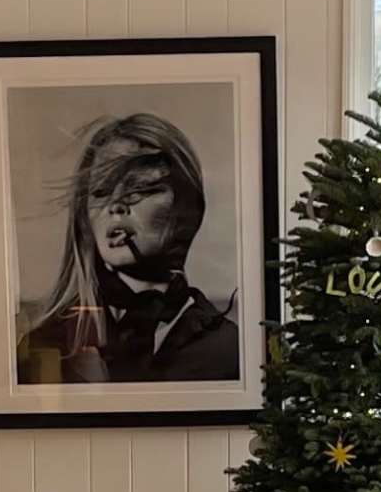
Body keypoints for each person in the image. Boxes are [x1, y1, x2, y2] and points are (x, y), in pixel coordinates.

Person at [17, 111, 240, 385]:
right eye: (100, 192)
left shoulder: (229, 350)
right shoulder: (48, 344)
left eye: (140, 190)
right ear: (84, 217)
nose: (116, 205)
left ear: (187, 208)